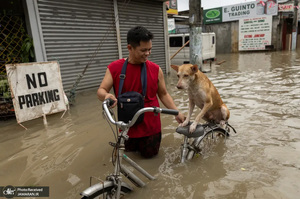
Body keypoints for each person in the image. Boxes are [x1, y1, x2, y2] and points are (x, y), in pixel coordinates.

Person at [97, 26, 184, 158]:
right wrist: (107, 95)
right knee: (126, 159)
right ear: (129, 48)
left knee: (150, 160)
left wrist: (176, 112)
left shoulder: (156, 69)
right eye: (143, 50)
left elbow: (163, 94)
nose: (148, 53)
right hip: (126, 127)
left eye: (149, 49)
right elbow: (101, 90)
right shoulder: (114, 68)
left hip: (151, 129)